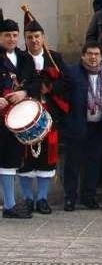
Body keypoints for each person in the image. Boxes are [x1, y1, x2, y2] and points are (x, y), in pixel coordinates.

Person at [18, 19, 71, 215]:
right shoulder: (21, 58)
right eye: (29, 37)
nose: (33, 40)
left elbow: (66, 83)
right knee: (26, 158)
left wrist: (50, 87)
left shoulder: (54, 57)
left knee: (47, 158)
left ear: (43, 38)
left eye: (37, 37)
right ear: (25, 39)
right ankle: (28, 199)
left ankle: (42, 198)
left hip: (49, 115)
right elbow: (18, 83)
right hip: (25, 115)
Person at [63, 42, 102, 212]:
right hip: (78, 123)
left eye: (97, 54)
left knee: (94, 163)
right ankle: (70, 198)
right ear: (83, 56)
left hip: (99, 125)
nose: (93, 58)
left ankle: (89, 196)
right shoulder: (72, 73)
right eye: (90, 54)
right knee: (73, 163)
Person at [0, 16, 41, 218]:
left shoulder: (25, 58)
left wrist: (24, 93)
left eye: (15, 35)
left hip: (16, 118)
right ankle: (9, 204)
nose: (12, 39)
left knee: (10, 160)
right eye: (7, 35)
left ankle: (10, 205)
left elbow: (35, 83)